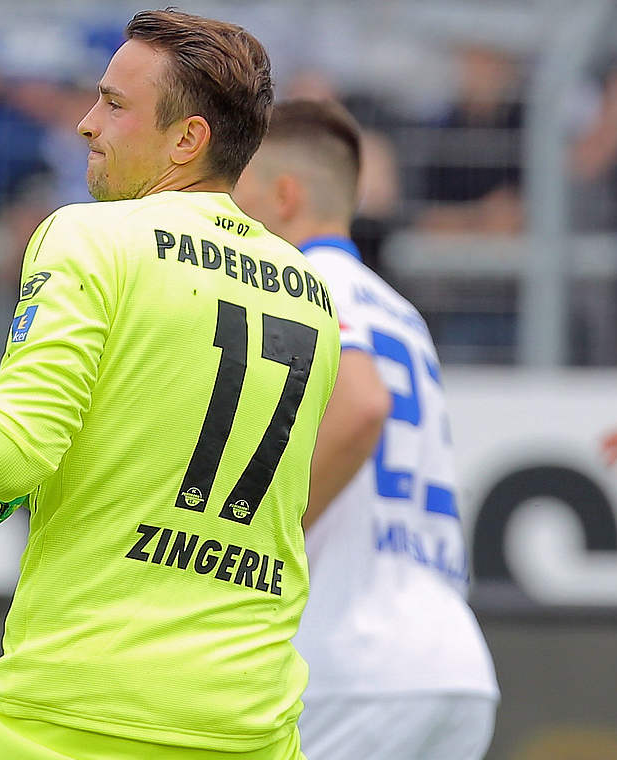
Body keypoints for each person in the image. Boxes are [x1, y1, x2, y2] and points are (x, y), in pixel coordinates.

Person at [0, 11, 341, 759]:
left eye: (113, 103)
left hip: (73, 716)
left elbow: (10, 455)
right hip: (251, 727)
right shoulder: (311, 291)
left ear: (187, 139)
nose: (84, 123)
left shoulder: (91, 236)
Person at [232, 99, 499, 759]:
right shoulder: (400, 311)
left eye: (239, 194)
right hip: (452, 665)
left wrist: (262, 536)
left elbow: (363, 407)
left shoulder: (299, 281)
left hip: (350, 662)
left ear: (285, 195)